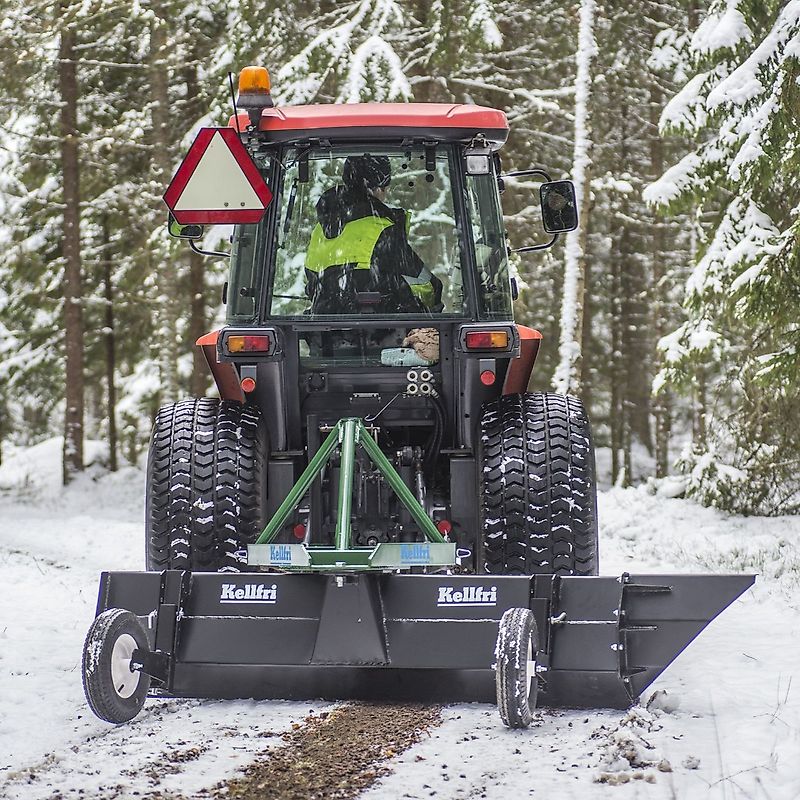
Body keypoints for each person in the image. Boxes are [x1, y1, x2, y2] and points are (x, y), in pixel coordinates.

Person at [304, 154, 443, 315]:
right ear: (377, 188)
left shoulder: (320, 231)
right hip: (377, 333)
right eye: (385, 187)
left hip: (324, 334)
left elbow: (312, 285)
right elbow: (424, 285)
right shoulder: (382, 229)